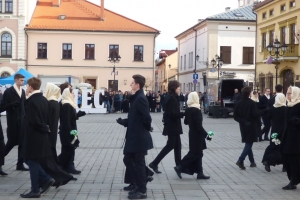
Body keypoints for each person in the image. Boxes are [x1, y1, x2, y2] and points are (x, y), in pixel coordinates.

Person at [116, 74, 153, 199]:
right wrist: (124, 122)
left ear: (137, 85)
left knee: (139, 163)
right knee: (128, 160)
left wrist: (146, 128)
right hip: (134, 135)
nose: (130, 84)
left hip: (139, 137)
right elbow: (134, 118)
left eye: (132, 83)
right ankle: (138, 183)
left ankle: (142, 190)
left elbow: (147, 117)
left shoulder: (140, 98)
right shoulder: (136, 98)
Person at [20, 77, 54, 198]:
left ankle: (36, 189)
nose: (26, 88)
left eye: (27, 86)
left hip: (34, 136)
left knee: (32, 161)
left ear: (31, 87)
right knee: (28, 160)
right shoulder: (44, 99)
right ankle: (44, 180)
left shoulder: (32, 101)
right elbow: (48, 118)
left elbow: (35, 121)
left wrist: (43, 127)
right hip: (41, 136)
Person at [149, 80, 184, 174]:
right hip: (172, 125)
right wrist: (183, 114)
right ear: (174, 88)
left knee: (177, 146)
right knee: (170, 145)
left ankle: (178, 166)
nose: (179, 88)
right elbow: (171, 113)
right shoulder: (172, 98)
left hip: (174, 125)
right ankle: (154, 163)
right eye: (178, 87)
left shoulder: (173, 97)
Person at [173, 92, 210, 180]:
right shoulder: (196, 110)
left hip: (192, 133)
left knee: (199, 153)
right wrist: (207, 135)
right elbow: (199, 126)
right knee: (194, 153)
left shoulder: (188, 109)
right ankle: (180, 166)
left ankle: (200, 172)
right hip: (197, 134)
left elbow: (186, 122)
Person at [234, 87, 264, 170]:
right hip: (251, 125)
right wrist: (262, 112)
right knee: (249, 143)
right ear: (249, 93)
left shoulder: (239, 103)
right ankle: (241, 159)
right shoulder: (252, 103)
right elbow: (255, 114)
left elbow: (235, 116)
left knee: (248, 142)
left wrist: (242, 121)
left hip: (243, 126)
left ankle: (252, 162)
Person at [2, 74, 28, 171]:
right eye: (21, 80)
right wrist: (11, 105)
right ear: (16, 80)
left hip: (22, 121)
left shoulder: (23, 91)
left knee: (22, 143)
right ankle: (0, 159)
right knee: (11, 143)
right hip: (12, 121)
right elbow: (2, 106)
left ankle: (20, 164)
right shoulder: (9, 91)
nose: (23, 82)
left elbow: (24, 105)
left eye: (23, 80)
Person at [281, 86, 300, 190]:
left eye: (289, 93)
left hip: (296, 138)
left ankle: (293, 181)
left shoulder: (298, 105)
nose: (287, 95)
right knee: (287, 158)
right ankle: (293, 179)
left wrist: (297, 120)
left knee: (294, 159)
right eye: (287, 93)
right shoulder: (288, 105)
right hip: (287, 136)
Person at [58, 88, 81, 175]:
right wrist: (72, 135)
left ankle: (66, 168)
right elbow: (66, 121)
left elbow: (72, 118)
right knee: (68, 151)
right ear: (68, 94)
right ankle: (56, 165)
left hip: (73, 129)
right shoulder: (66, 104)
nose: (74, 95)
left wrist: (78, 115)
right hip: (68, 131)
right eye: (72, 93)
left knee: (71, 148)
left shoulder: (70, 104)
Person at [262, 93, 286, 172]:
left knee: (273, 146)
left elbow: (268, 117)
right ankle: (285, 165)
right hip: (283, 131)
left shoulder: (272, 109)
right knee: (283, 147)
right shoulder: (286, 109)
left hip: (274, 131)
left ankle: (268, 161)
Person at [44, 83, 61, 163]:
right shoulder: (55, 102)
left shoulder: (50, 102)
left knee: (49, 147)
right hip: (54, 127)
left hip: (49, 128)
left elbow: (46, 117)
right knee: (52, 146)